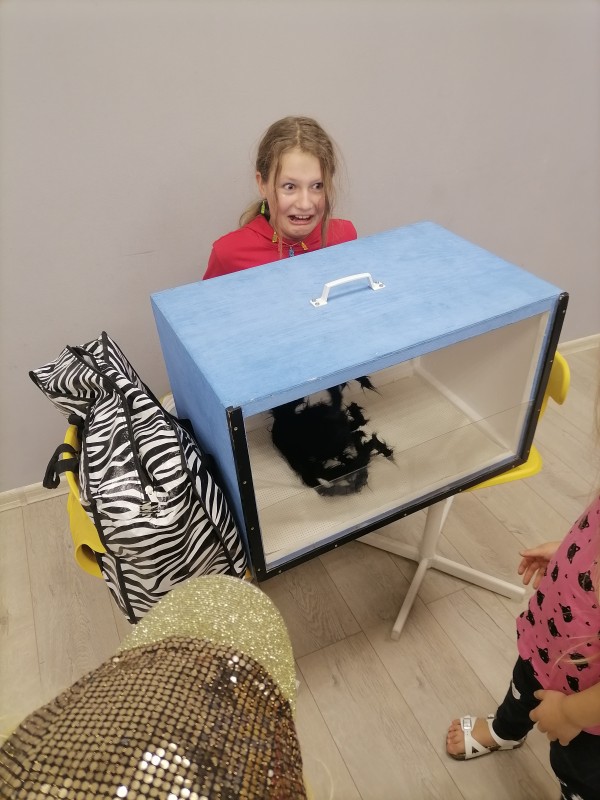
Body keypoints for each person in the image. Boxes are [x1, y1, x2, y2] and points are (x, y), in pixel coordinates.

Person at [446, 488, 600, 800]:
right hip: (549, 646)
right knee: (522, 687)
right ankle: (505, 731)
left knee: (578, 770)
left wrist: (570, 714)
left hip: (588, 711)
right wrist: (571, 555)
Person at [203, 116, 357, 279]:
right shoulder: (228, 254)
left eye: (317, 186)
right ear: (262, 184)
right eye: (290, 187)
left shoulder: (345, 237)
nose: (305, 204)